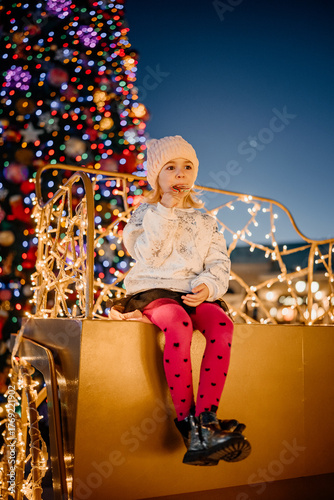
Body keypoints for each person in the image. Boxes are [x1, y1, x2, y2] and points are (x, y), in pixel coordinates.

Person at [114, 135, 251, 466]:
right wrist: (166, 211)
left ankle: (207, 422)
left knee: (221, 325)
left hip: (192, 290)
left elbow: (219, 262)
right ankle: (186, 423)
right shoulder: (143, 215)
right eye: (170, 168)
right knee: (178, 323)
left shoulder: (206, 220)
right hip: (155, 289)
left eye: (187, 167)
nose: (180, 174)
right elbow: (149, 255)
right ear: (157, 177)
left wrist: (208, 286)